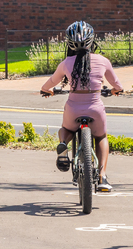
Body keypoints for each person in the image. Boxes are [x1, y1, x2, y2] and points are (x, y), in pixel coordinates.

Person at [40, 21, 123, 192]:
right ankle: (102, 177)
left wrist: (47, 91)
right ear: (92, 41)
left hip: (73, 108)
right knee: (101, 137)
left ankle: (63, 144)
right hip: (95, 108)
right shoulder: (103, 61)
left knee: (66, 129)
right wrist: (115, 91)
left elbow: (48, 84)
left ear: (69, 43)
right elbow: (118, 85)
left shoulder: (66, 63)